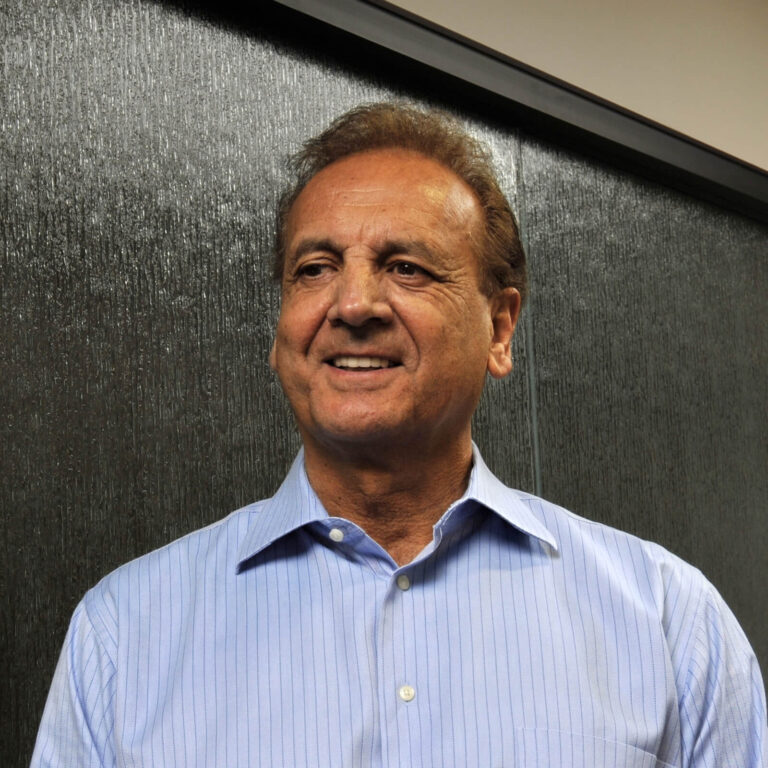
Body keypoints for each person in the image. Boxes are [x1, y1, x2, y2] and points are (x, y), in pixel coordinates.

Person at [32, 103, 767, 767]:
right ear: (281, 327)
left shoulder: (673, 625)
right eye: (314, 269)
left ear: (501, 329)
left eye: (406, 268)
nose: (352, 303)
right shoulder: (124, 636)